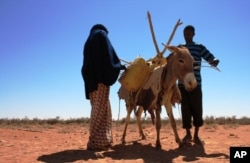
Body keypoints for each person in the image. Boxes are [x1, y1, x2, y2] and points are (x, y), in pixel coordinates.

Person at [81, 24, 126, 150]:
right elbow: (108, 55)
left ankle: (104, 139)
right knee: (100, 111)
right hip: (100, 80)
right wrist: (118, 66)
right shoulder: (101, 35)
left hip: (90, 81)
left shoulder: (88, 40)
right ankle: (96, 141)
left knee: (101, 108)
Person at [178, 25, 220, 144]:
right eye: (185, 34)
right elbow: (170, 61)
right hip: (182, 84)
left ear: (193, 34)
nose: (187, 36)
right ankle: (188, 134)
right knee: (185, 109)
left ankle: (196, 136)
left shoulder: (199, 47)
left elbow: (211, 57)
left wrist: (214, 61)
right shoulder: (179, 48)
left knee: (197, 109)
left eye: (189, 34)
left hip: (196, 83)